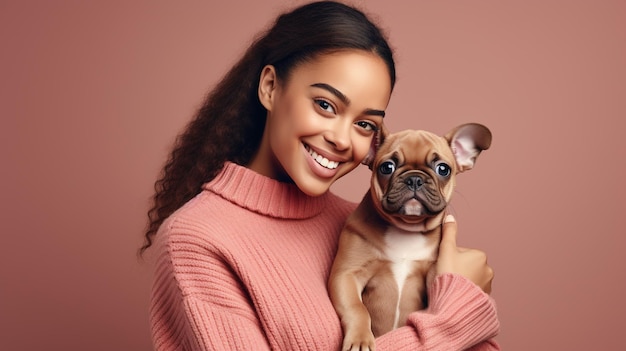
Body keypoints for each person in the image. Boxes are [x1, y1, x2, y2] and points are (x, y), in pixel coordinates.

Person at [141, 1, 500, 350]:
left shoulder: (362, 221)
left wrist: (457, 302)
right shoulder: (197, 240)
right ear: (270, 87)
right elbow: (449, 332)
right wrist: (452, 318)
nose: (341, 139)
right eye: (325, 105)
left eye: (364, 124)